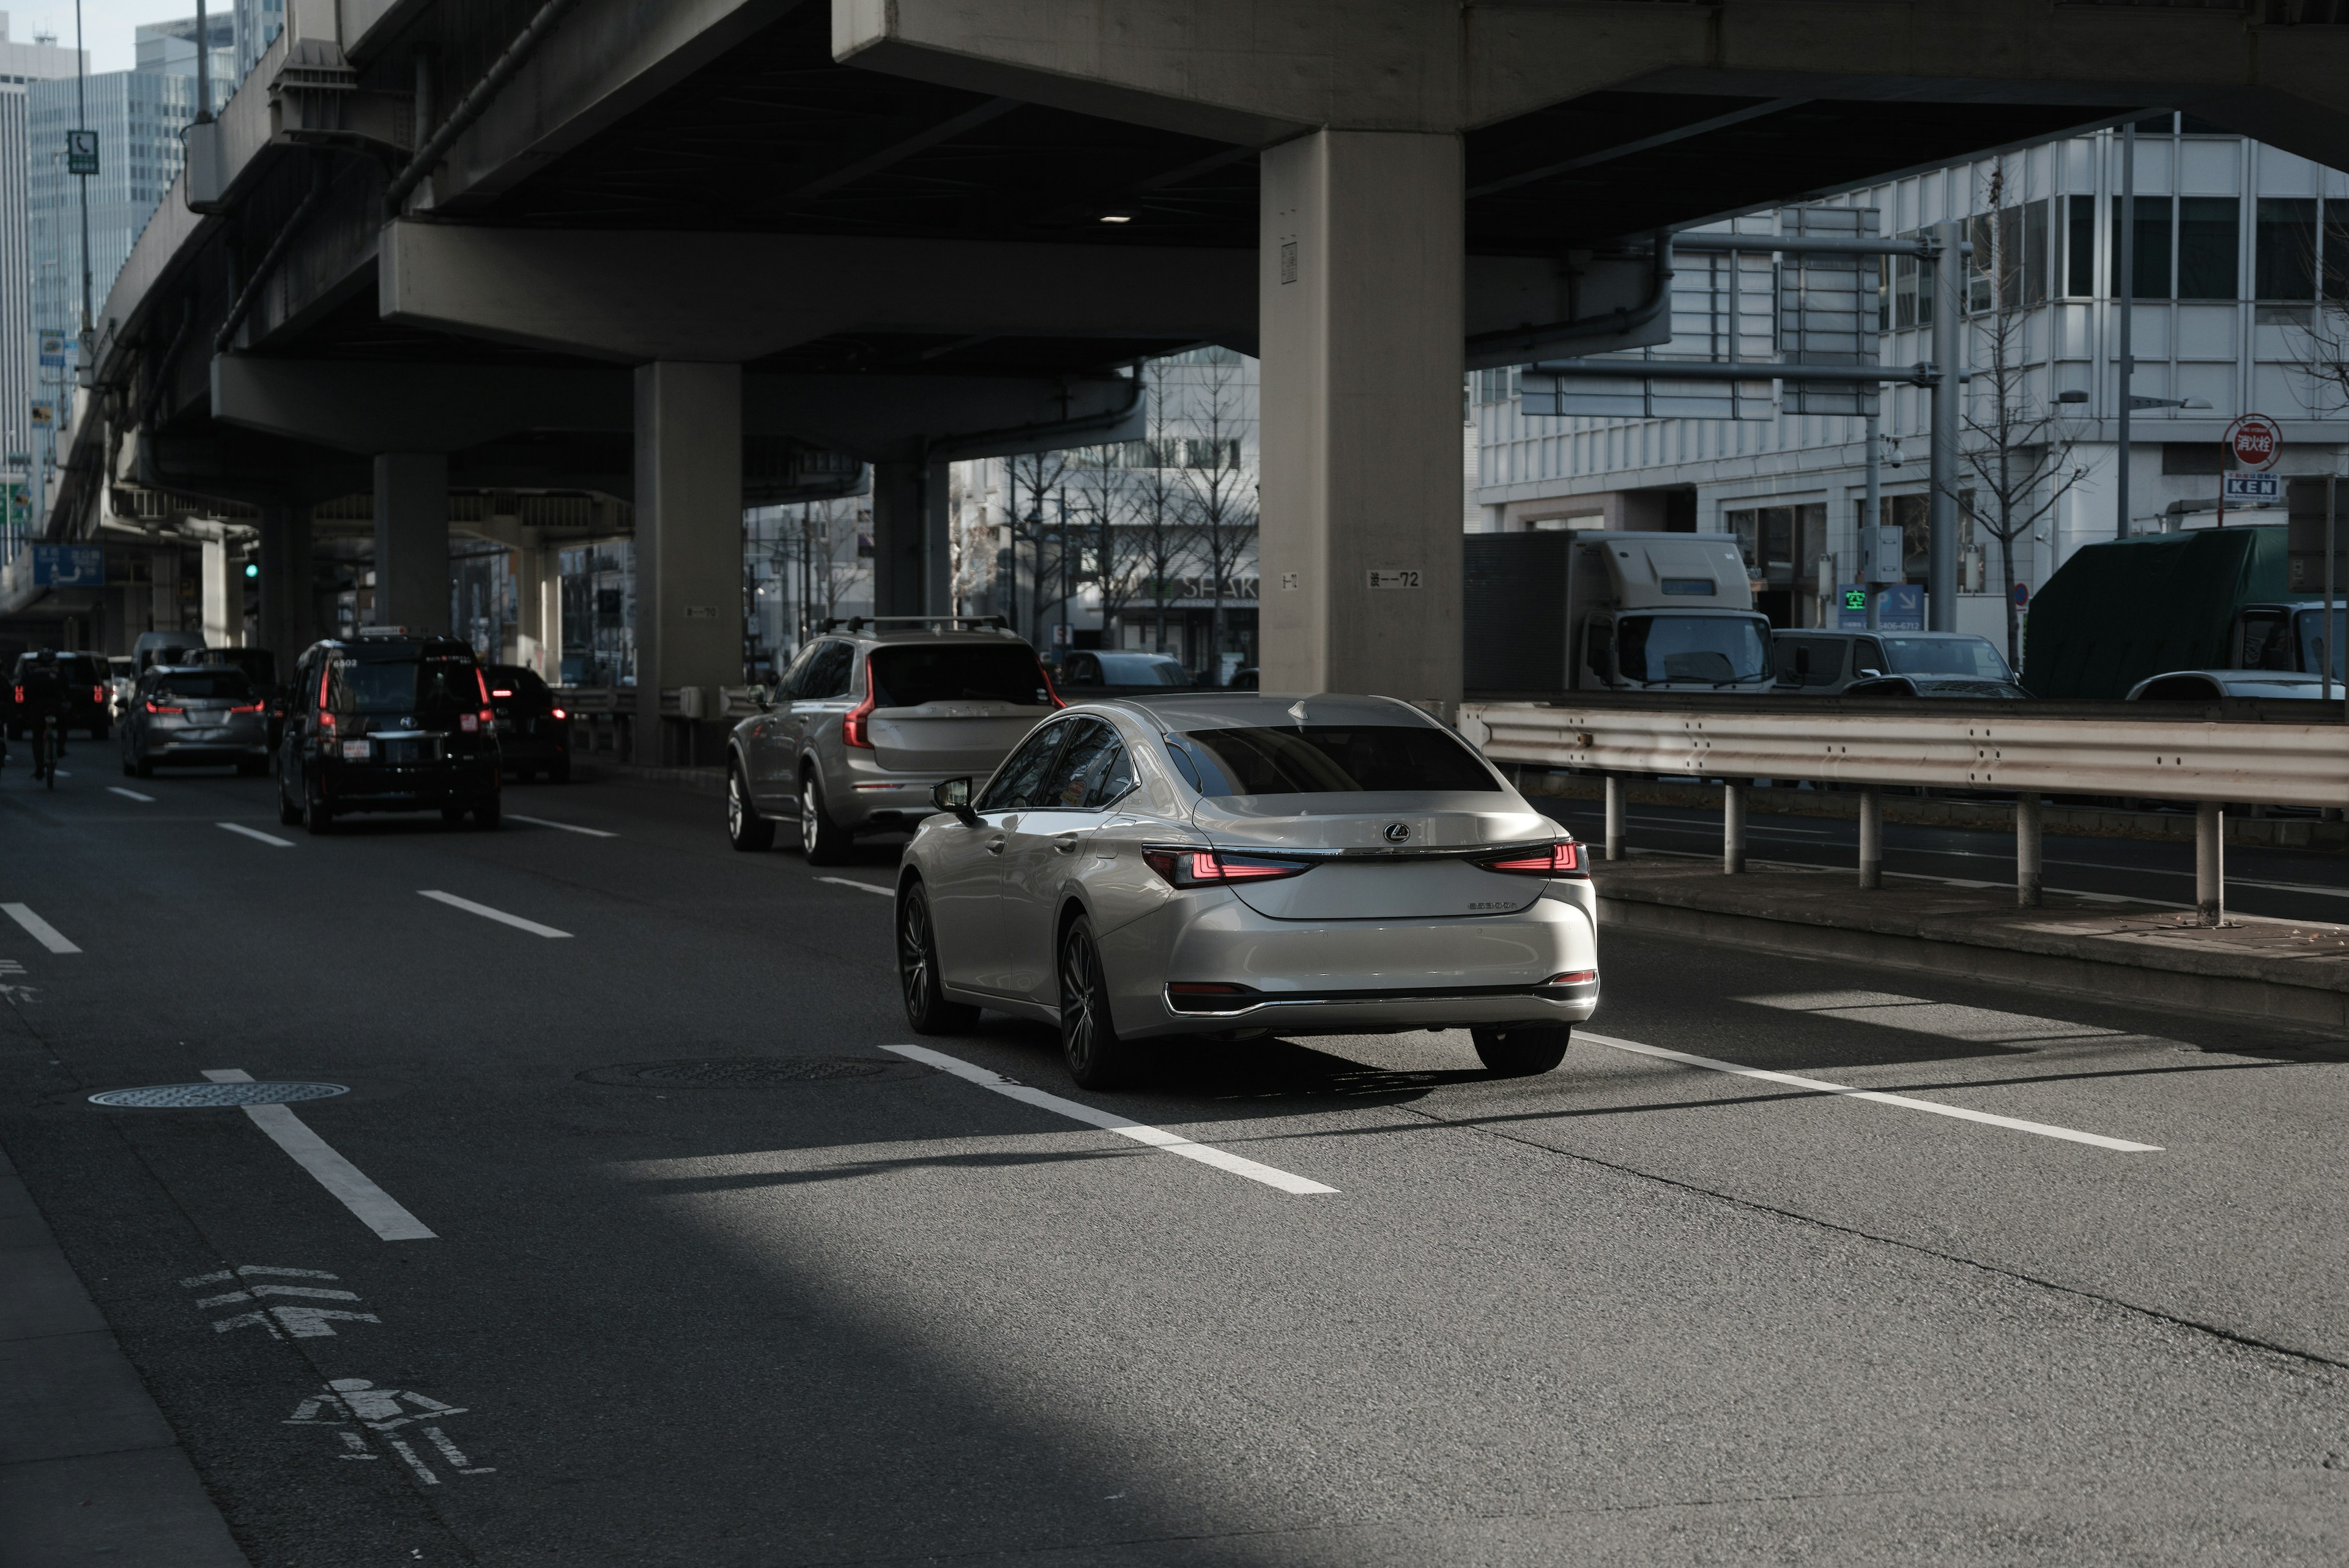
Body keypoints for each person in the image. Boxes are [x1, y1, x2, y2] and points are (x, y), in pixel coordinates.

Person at [16, 653, 69, 778]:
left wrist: (22, 711)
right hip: (54, 705)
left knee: (37, 736)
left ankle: (40, 766)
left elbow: (24, 692)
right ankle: (61, 747)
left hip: (37, 707)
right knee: (63, 723)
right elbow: (66, 689)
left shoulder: (31, 672)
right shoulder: (58, 672)